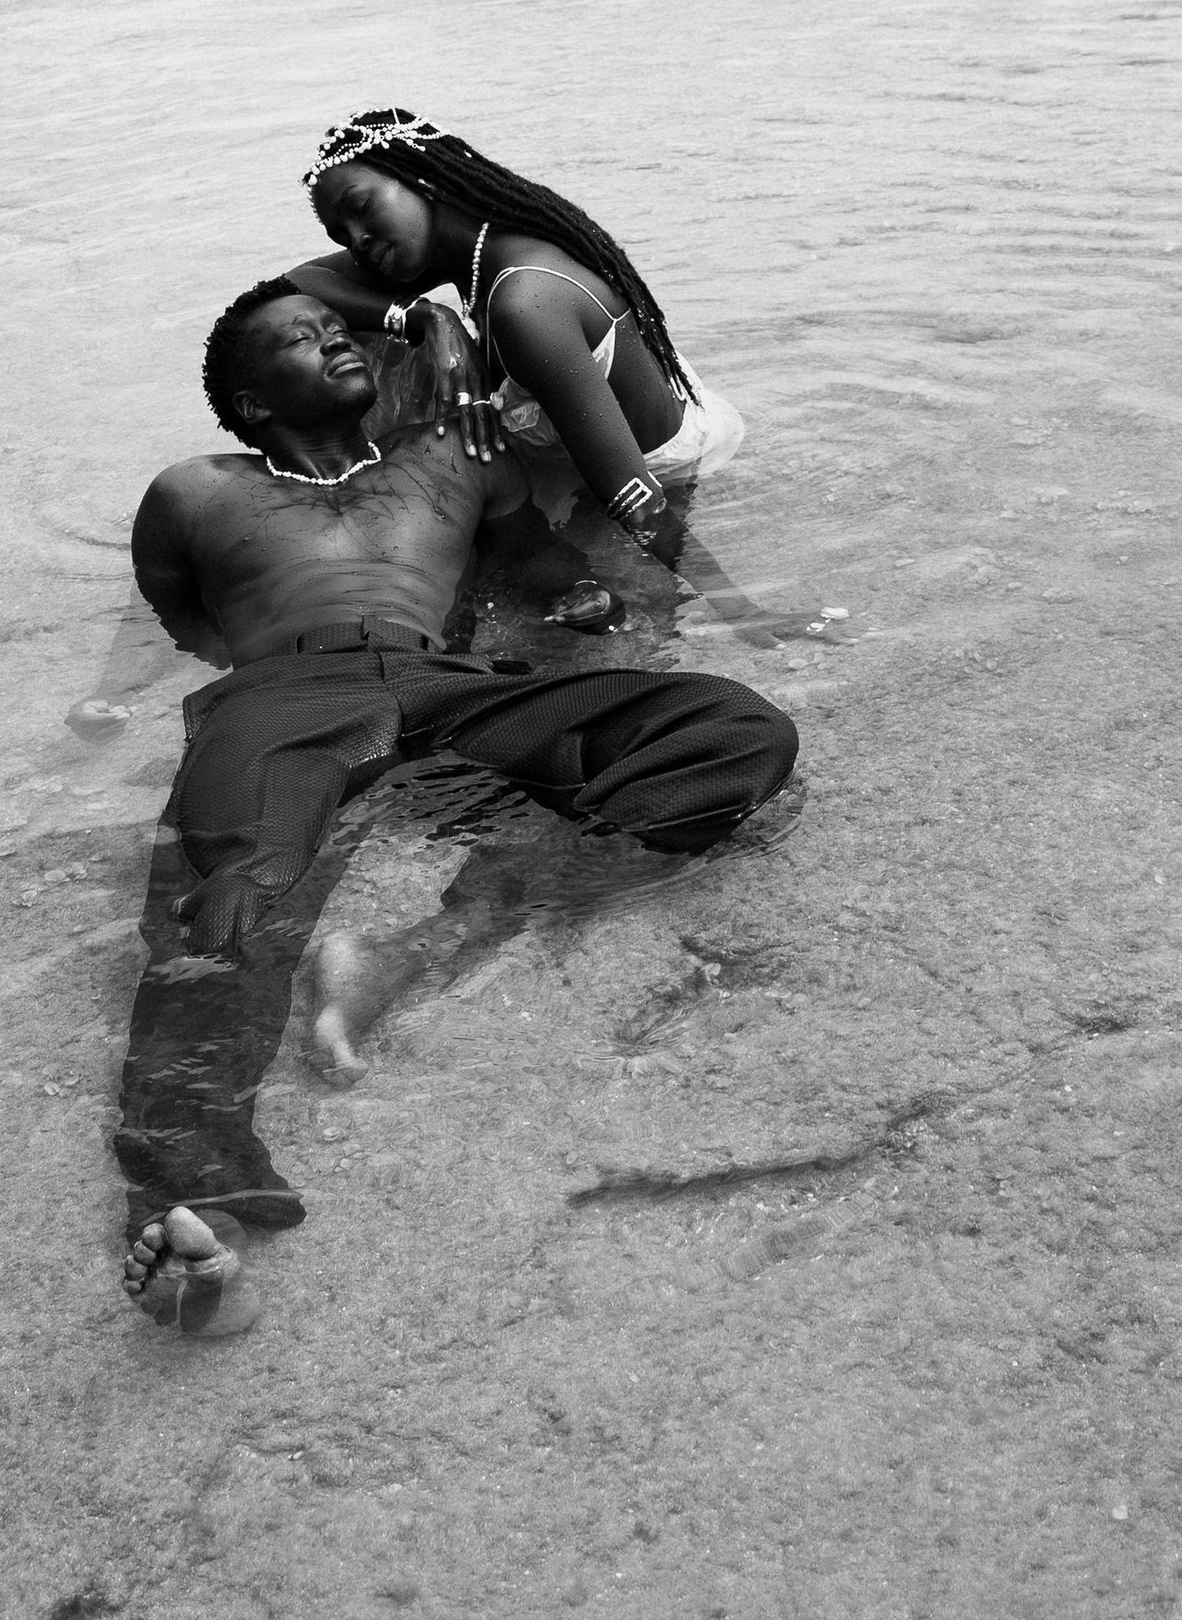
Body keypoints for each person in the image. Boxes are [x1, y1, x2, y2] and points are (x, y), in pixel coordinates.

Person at [114, 275, 800, 1337]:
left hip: (445, 683)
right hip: (280, 696)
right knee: (226, 898)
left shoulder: (453, 461)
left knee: (736, 735)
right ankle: (190, 1215)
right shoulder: (195, 490)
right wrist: (106, 696)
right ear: (251, 402)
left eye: (338, 329)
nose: (335, 342)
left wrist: (583, 596)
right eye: (300, 341)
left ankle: (417, 946)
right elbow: (166, 620)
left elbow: (540, 562)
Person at [291, 107, 745, 562]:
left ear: (420, 179)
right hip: (593, 444)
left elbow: (634, 498)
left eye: (361, 208)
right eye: (341, 237)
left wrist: (744, 616)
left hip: (666, 471)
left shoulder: (523, 302)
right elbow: (292, 288)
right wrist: (425, 319)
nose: (358, 241)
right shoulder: (464, 253)